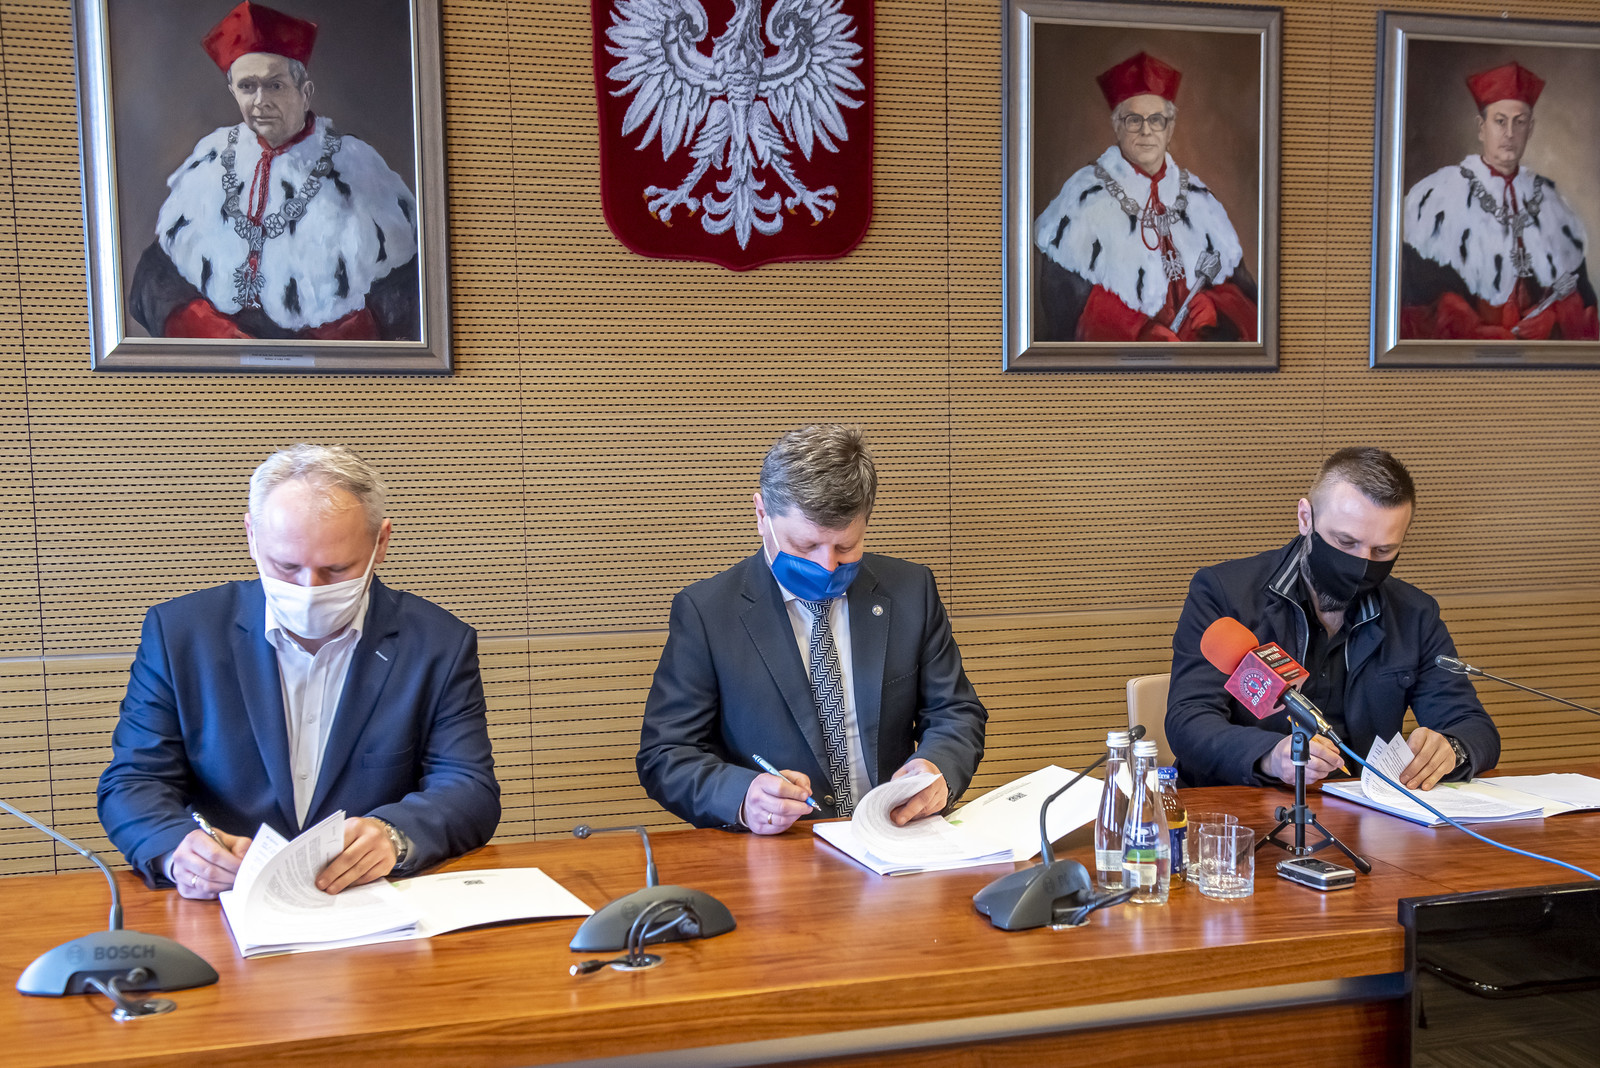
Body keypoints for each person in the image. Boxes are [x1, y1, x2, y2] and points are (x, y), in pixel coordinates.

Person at [97, 445, 499, 897]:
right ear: (252, 537)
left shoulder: (439, 643)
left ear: (381, 543)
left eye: (337, 569)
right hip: (227, 901)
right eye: (286, 567)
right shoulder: (182, 634)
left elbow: (468, 788)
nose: (309, 589)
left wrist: (394, 835)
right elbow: (134, 781)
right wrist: (177, 850)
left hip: (375, 901)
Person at [637, 425, 988, 833]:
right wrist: (743, 797)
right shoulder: (707, 613)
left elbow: (956, 712)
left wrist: (937, 767)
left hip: (894, 836)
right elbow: (666, 754)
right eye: (806, 546)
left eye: (845, 547)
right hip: (779, 848)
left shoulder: (911, 590)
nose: (827, 565)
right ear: (762, 515)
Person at [1165, 447, 1500, 790]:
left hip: (1362, 807)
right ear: (1305, 518)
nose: (1362, 564)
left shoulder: (1415, 614)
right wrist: (1271, 757)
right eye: (1346, 542)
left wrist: (1451, 749)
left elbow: (1474, 727)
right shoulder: (1225, 593)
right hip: (1239, 803)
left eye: (1383, 551)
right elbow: (1189, 721)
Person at [128, 1, 420, 341]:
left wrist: (332, 346)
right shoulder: (210, 160)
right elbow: (154, 278)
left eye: (275, 85)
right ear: (233, 92)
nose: (260, 101)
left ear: (305, 93)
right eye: (247, 86)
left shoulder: (357, 168)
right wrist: (208, 330)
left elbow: (408, 291)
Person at [1033, 51, 1257, 343]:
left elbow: (1248, 300)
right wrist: (1137, 331)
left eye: (1156, 120)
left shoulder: (1201, 202)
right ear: (1117, 126)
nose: (1146, 130)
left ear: (1170, 128)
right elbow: (1063, 304)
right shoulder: (1083, 198)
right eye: (1133, 120)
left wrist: (1216, 308)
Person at [1400, 61, 1598, 341]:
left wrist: (1552, 316)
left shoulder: (1552, 203)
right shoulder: (1438, 197)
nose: (1510, 134)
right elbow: (1417, 295)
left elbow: (1579, 294)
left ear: (1530, 129)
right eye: (1500, 121)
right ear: (1482, 128)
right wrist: (1471, 328)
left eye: (1520, 122)